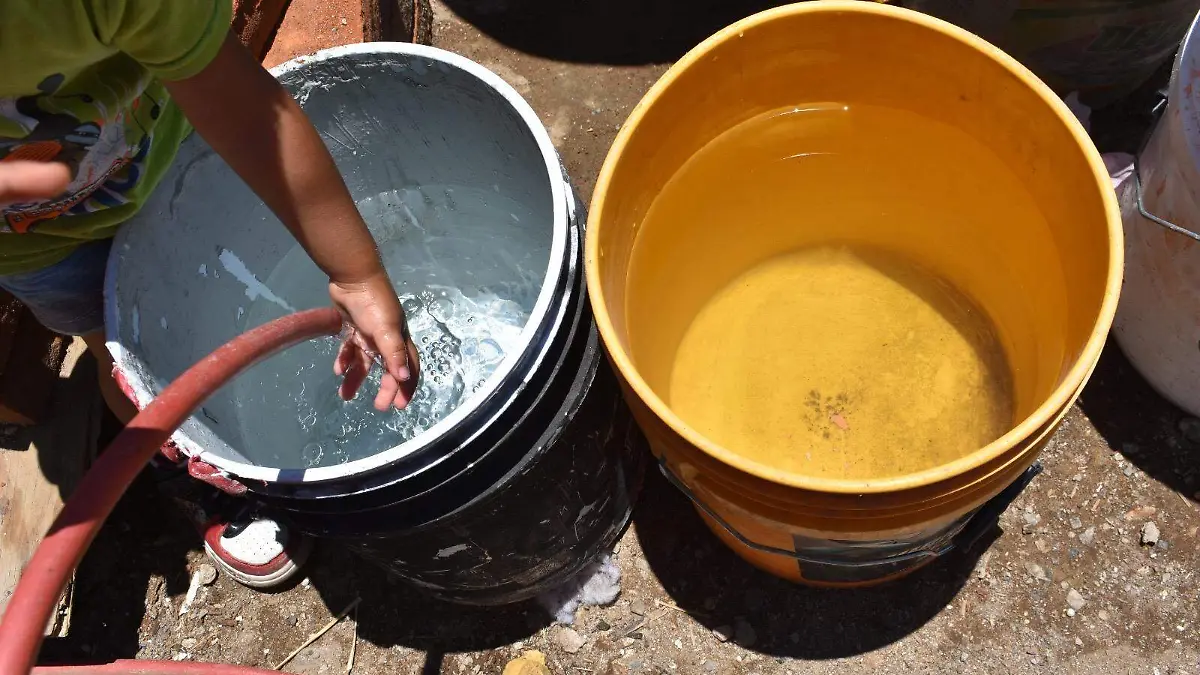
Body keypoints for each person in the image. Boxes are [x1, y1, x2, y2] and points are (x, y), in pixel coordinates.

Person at [0, 1, 421, 588]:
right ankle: (194, 474)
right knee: (125, 362)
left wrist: (355, 273)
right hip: (44, 252)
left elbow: (250, 115)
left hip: (175, 157)